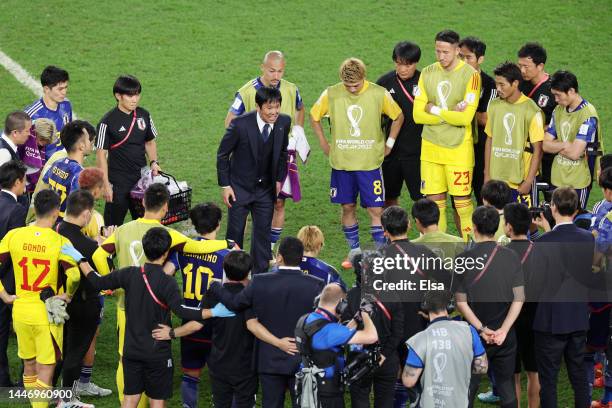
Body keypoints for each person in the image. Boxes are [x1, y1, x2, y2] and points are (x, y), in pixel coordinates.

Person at [91, 183, 232, 407]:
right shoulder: (168, 234)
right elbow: (197, 248)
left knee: (125, 358)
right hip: (156, 308)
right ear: (166, 207)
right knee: (154, 356)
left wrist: (113, 283)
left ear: (143, 203)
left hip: (126, 306)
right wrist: (227, 243)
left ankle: (125, 401)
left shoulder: (123, 230)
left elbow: (99, 255)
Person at [65, 227, 235, 408]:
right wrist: (213, 312)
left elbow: (97, 280)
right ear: (166, 252)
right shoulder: (166, 282)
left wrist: (80, 259)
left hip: (131, 350)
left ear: (144, 249)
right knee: (157, 401)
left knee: (130, 399)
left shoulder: (128, 274)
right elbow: (182, 310)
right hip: (157, 353)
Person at [208, 237, 325, 408]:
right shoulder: (317, 285)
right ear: (301, 258)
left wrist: (216, 287)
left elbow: (235, 304)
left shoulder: (260, 281)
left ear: (279, 257)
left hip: (269, 360)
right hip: (302, 359)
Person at [310, 57, 404, 264]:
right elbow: (314, 116)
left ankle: (379, 252)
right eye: (348, 85)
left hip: (369, 164)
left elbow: (398, 116)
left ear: (364, 78)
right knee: (347, 207)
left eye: (356, 85)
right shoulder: (331, 93)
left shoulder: (378, 93)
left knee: (376, 210)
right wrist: (324, 144)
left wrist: (389, 143)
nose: (352, 89)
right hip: (342, 164)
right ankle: (354, 250)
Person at [0, 189, 80, 408]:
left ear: (34, 209)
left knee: (29, 363)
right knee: (46, 366)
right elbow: (74, 275)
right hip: (46, 314)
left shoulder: (14, 235)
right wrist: (67, 294)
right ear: (56, 212)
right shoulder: (61, 241)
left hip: (20, 311)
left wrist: (5, 295)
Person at [225, 50, 307, 251]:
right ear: (262, 68)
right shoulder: (246, 92)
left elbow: (300, 108)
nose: (276, 76)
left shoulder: (291, 89)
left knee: (278, 203)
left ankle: (268, 248)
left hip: (280, 157)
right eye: (272, 71)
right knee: (242, 207)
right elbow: (230, 122)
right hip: (252, 161)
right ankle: (237, 253)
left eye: (280, 71)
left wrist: (297, 131)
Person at [153, 250, 257, 408]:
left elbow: (196, 324)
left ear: (224, 269)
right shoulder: (254, 294)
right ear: (248, 272)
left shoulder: (214, 293)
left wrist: (171, 333)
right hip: (246, 364)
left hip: (219, 363)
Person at [413, 29, 481, 240]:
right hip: (431, 149)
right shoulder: (427, 72)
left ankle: (471, 250)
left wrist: (433, 109)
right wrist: (450, 114)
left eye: (446, 52)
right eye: (437, 51)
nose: (441, 56)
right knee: (435, 206)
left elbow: (465, 118)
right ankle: (438, 251)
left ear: (457, 50)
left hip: (458, 150)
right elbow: (417, 115)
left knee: (462, 206)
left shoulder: (471, 76)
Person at [455, 205, 525, 408]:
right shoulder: (511, 256)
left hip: (475, 337)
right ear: (499, 227)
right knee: (506, 388)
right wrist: (503, 330)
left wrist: (482, 329)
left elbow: (461, 303)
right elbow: (518, 298)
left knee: (468, 388)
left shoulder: (462, 260)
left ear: (473, 227)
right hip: (505, 337)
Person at [162, 202, 230, 408]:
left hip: (190, 316)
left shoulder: (183, 250)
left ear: (193, 224)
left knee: (191, 373)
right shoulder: (227, 253)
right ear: (218, 224)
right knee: (223, 374)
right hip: (218, 321)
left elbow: (165, 273)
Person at [532, 188, 595, 408]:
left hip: (549, 323)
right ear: (576, 209)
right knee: (578, 376)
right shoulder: (587, 238)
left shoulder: (542, 243)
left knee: (548, 380)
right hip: (577, 318)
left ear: (553, 207)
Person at [217, 86, 290, 274]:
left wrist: (279, 179)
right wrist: (225, 185)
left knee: (262, 236)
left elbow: (283, 153)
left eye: (277, 107)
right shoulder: (240, 124)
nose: (274, 112)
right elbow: (223, 155)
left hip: (265, 190)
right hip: (239, 189)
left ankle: (259, 279)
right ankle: (232, 277)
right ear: (258, 107)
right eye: (269, 108)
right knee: (235, 234)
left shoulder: (284, 122)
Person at [56, 190, 112, 404]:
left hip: (55, 301)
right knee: (75, 353)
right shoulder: (88, 246)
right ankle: (67, 400)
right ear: (87, 214)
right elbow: (107, 277)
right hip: (82, 302)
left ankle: (55, 396)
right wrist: (105, 245)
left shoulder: (54, 230)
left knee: (59, 350)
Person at [296, 283, 379, 408]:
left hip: (310, 389)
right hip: (327, 395)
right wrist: (366, 313)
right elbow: (372, 336)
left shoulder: (307, 319)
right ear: (341, 304)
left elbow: (337, 335)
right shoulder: (328, 330)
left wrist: (356, 319)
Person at [96, 74, 161, 226]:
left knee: (146, 224)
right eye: (130, 95)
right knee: (112, 226)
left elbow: (149, 142)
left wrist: (154, 162)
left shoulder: (144, 115)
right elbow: (101, 156)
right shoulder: (107, 122)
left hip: (141, 180)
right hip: (118, 182)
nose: (135, 99)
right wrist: (105, 184)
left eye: (137, 94)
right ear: (118, 96)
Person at [403, 290, 488, 408]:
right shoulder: (469, 330)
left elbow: (408, 381)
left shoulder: (419, 339)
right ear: (450, 307)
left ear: (425, 308)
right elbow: (481, 368)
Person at [484, 61, 544, 208]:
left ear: (515, 83)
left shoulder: (531, 110)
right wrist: (487, 174)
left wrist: (529, 181)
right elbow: (489, 139)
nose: (498, 89)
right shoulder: (494, 105)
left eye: (502, 85)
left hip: (520, 180)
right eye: (496, 84)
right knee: (498, 222)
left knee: (526, 224)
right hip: (496, 179)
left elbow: (538, 149)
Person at [543, 70, 602, 209]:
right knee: (556, 220)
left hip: (578, 181)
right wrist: (565, 144)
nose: (556, 99)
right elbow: (545, 145)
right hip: (557, 177)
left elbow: (575, 153)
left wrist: (556, 146)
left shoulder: (588, 115)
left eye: (558, 95)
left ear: (571, 91)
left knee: (574, 224)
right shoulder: (558, 110)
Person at [503, 203, 542, 408]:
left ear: (508, 227)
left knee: (513, 375)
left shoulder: (500, 255)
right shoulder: (539, 251)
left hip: (509, 320)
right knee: (534, 373)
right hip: (536, 320)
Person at [376, 41, 424, 206]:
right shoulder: (384, 83)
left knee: (422, 199)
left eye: (408, 65)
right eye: (399, 64)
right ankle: (393, 230)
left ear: (416, 63)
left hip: (419, 153)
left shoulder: (425, 81)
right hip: (391, 153)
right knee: (389, 197)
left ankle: (425, 232)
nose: (402, 69)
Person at [458, 36, 497, 205]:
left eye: (468, 57)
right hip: (456, 146)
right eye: (461, 57)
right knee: (459, 199)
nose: (463, 61)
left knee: (483, 196)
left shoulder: (489, 84)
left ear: (480, 59)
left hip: (480, 148)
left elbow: (485, 119)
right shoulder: (452, 80)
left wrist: (459, 110)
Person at [0, 160, 27, 387]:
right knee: (23, 329)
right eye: (24, 180)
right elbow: (14, 250)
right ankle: (22, 381)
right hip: (9, 280)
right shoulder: (17, 210)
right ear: (17, 182)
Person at [517, 43, 557, 190]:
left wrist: (537, 128)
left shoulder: (553, 90)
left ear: (540, 66)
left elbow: (560, 122)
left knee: (550, 194)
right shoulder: (519, 84)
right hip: (522, 152)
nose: (522, 70)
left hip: (546, 154)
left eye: (526, 66)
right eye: (520, 65)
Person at [42, 120, 94, 218]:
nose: (91, 142)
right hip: (64, 224)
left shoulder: (57, 163)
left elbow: (45, 180)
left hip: (50, 218)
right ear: (81, 146)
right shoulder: (80, 174)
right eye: (88, 139)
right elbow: (78, 207)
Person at [24, 66, 72, 160]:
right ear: (46, 89)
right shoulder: (31, 115)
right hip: (40, 168)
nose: (64, 92)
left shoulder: (66, 105)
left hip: (61, 166)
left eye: (66, 87)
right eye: (60, 89)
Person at [18, 118, 55, 194]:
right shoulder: (30, 138)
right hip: (19, 184)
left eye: (46, 142)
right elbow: (32, 169)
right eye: (41, 140)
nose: (42, 144)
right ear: (36, 132)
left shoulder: (37, 135)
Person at [78, 167, 108, 241]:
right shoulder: (96, 218)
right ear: (96, 191)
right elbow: (101, 245)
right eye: (102, 187)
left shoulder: (70, 208)